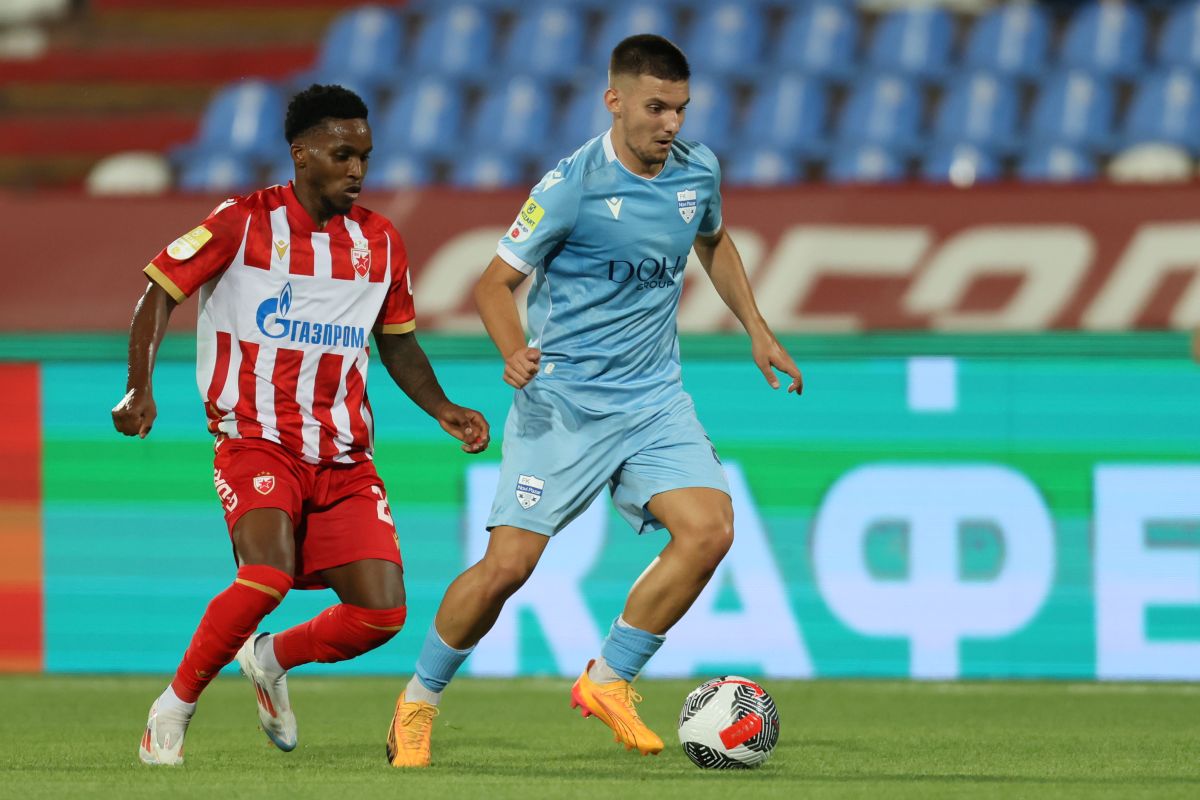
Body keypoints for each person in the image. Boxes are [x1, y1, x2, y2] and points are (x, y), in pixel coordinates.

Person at [386, 34, 801, 768]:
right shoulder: (570, 185)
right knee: (507, 569)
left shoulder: (698, 170)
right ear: (614, 101)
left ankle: (608, 679)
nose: (670, 123)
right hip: (564, 406)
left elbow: (714, 241)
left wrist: (757, 330)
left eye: (680, 108)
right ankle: (417, 702)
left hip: (652, 401)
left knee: (710, 529)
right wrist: (513, 349)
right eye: (655, 107)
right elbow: (491, 284)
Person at [112, 84, 490, 766]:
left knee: (381, 613)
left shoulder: (380, 241)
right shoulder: (243, 223)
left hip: (343, 454)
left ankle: (270, 658)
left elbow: (396, 342)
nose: (357, 170)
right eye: (343, 155)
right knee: (267, 575)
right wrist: (140, 387)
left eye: (366, 157)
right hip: (255, 439)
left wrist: (444, 407)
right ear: (301, 154)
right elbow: (159, 292)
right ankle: (172, 708)